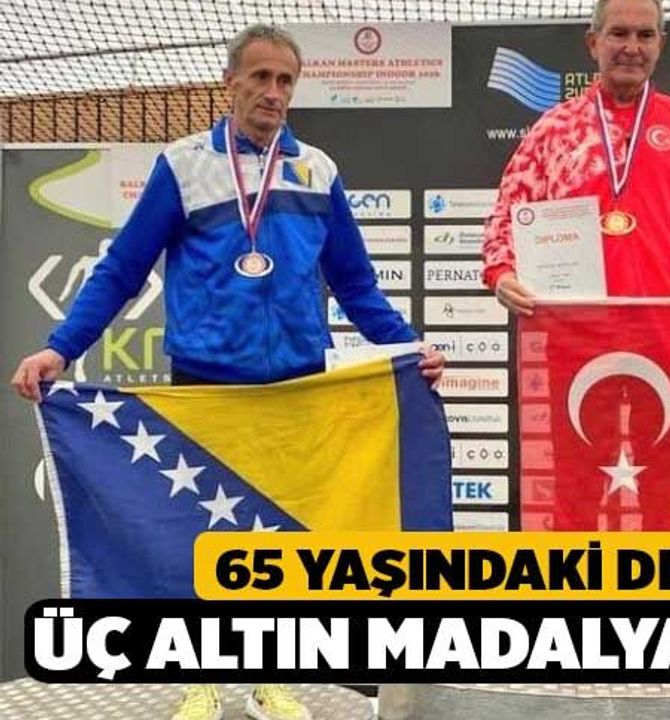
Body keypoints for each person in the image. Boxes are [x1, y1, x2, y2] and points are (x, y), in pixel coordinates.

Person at [10, 23, 445, 720]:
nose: (273, 92)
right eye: (261, 77)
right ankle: (204, 677)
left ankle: (270, 677)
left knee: (279, 546)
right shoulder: (183, 166)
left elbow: (355, 283)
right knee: (204, 543)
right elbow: (122, 270)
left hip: (295, 390)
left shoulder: (317, 170)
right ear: (231, 81)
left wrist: (407, 345)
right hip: (207, 391)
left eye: (285, 80)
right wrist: (60, 349)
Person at [481, 0, 670, 530]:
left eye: (645, 35)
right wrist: (502, 273)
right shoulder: (554, 128)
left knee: (667, 485)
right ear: (594, 43)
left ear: (661, 45)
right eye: (619, 34)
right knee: (578, 487)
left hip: (667, 332)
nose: (632, 47)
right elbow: (506, 216)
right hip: (577, 335)